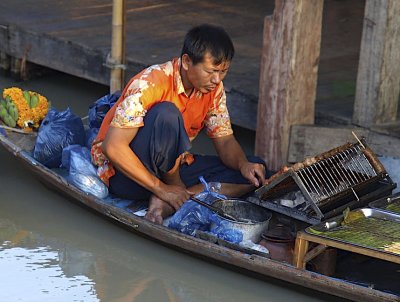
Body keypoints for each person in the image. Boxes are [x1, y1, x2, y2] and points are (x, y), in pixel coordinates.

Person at [91, 24, 267, 224]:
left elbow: (225, 140)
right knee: (167, 114)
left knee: (256, 171)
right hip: (125, 175)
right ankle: (167, 194)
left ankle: (178, 197)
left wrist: (243, 164)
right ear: (186, 61)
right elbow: (112, 147)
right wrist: (162, 188)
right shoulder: (151, 82)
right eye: (211, 71)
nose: (217, 79)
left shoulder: (213, 90)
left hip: (174, 170)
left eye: (223, 71)